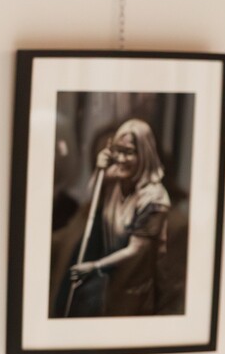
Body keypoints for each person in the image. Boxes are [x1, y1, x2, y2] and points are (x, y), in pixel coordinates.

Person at [59, 118, 172, 318]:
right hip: (111, 282)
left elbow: (137, 249)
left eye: (128, 152)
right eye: (117, 151)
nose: (120, 158)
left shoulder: (154, 199)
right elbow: (93, 197)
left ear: (144, 154)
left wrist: (95, 267)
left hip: (136, 288)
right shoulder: (116, 177)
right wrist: (100, 170)